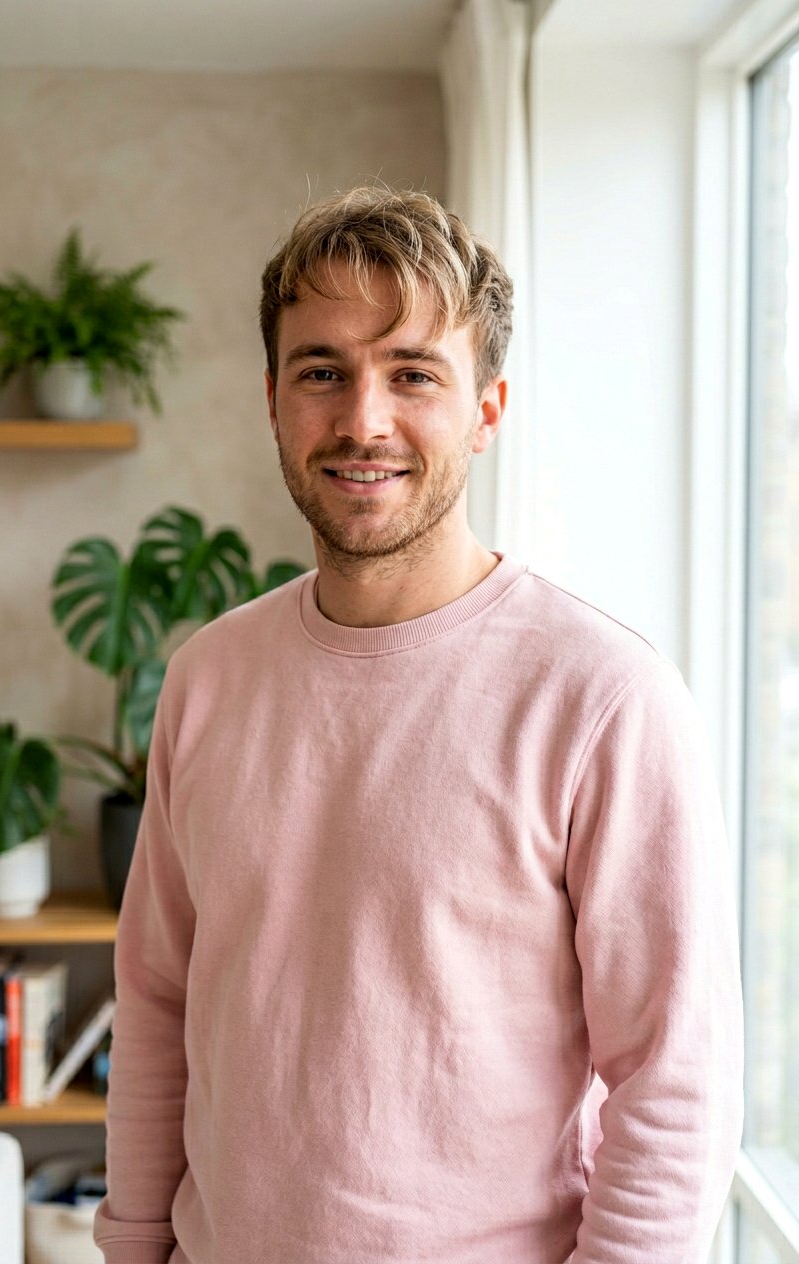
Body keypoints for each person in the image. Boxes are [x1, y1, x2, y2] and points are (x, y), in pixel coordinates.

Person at [93, 187, 743, 1264]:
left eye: (411, 373)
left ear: (486, 408)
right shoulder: (205, 678)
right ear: (271, 400)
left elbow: (674, 1079)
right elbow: (157, 1006)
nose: (362, 419)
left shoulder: (601, 697)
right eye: (321, 372)